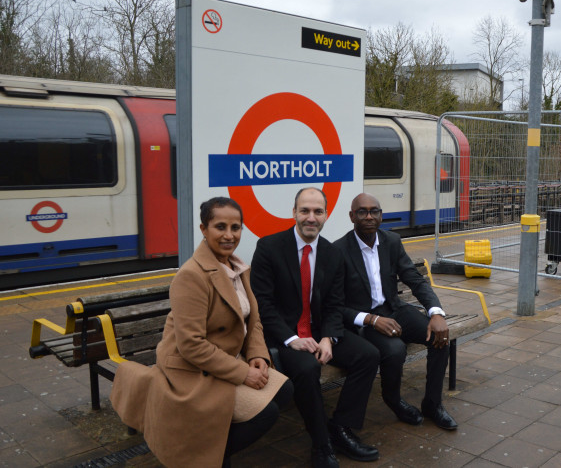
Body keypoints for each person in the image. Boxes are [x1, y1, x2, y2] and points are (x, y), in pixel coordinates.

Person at [111, 197, 292, 468]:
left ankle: (213, 451)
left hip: (221, 362)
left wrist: (257, 355)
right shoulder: (192, 276)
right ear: (203, 229)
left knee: (286, 390)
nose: (229, 235)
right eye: (220, 227)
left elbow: (252, 320)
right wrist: (244, 373)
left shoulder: (238, 268)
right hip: (190, 371)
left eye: (236, 227)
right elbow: (191, 345)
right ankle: (200, 457)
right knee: (265, 415)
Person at [250, 187, 380, 468]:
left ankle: (342, 428)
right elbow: (263, 304)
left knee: (368, 355)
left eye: (318, 211)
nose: (311, 217)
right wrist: (291, 338)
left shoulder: (333, 254)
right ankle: (321, 444)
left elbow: (335, 304)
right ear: (294, 213)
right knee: (308, 370)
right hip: (284, 335)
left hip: (319, 332)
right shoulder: (269, 247)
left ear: (326, 215)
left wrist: (329, 339)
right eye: (305, 210)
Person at [334, 193, 458, 431]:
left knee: (440, 336)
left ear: (381, 216)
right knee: (394, 349)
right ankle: (393, 400)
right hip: (364, 320)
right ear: (352, 216)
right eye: (362, 212)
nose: (369, 216)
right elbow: (335, 305)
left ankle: (433, 404)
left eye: (374, 211)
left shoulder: (391, 241)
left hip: (394, 308)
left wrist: (436, 313)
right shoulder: (338, 250)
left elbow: (415, 279)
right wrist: (371, 319)